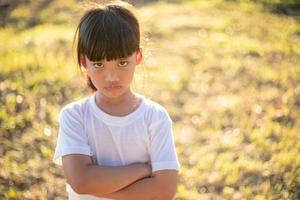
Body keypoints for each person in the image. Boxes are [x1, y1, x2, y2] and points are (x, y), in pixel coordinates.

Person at [53, 1, 180, 199]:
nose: (111, 76)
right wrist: (141, 170)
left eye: (122, 62)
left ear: (137, 57)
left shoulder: (155, 117)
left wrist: (99, 188)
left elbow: (164, 190)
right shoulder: (74, 116)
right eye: (98, 64)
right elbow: (81, 181)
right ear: (83, 61)